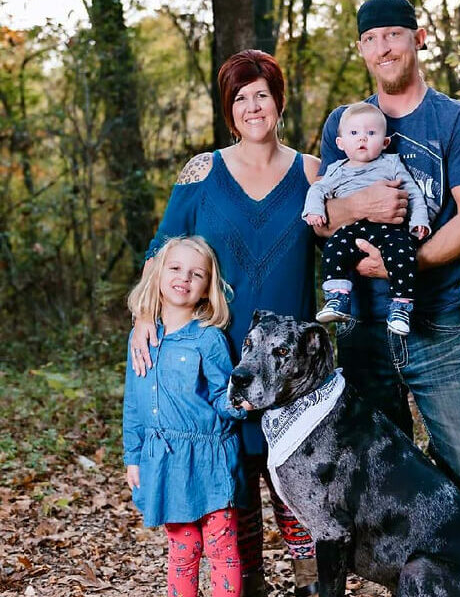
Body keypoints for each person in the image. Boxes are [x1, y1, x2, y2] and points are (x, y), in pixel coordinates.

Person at [130, 50, 320, 597]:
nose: (252, 106)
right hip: (216, 369)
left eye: (261, 93)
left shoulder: (313, 171)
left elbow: (343, 252)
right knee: (232, 496)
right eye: (240, 97)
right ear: (228, 110)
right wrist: (145, 316)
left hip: (292, 373)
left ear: (279, 100)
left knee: (297, 494)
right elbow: (161, 250)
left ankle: (314, 586)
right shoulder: (202, 171)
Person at [316, 0, 460, 527]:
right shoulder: (344, 124)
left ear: (417, 39)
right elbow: (324, 218)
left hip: (435, 320)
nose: (384, 48)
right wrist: (360, 205)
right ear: (361, 50)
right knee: (378, 472)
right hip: (362, 326)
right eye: (372, 39)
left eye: (393, 35)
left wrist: (403, 264)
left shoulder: (455, 121)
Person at [123, 236, 246, 597]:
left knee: (222, 550)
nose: (184, 278)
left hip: (209, 459)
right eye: (175, 268)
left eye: (197, 274)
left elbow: (223, 396)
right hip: (165, 462)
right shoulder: (140, 336)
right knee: (182, 551)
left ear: (208, 288)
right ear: (158, 274)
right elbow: (134, 401)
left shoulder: (208, 339)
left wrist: (243, 404)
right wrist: (133, 455)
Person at [303, 101, 430, 335]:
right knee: (333, 249)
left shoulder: (391, 163)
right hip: (353, 229)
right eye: (354, 133)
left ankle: (400, 307)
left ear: (385, 142)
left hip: (389, 229)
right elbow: (317, 190)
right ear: (340, 143)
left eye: (371, 133)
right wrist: (314, 211)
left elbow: (412, 193)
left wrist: (419, 221)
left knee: (403, 252)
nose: (362, 138)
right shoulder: (336, 170)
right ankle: (337, 298)